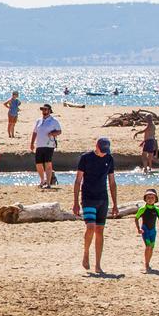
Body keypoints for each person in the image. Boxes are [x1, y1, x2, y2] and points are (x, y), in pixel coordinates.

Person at [72, 137, 118, 274]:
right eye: (102, 150)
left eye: (106, 151)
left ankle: (98, 264)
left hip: (103, 198)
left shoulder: (109, 159)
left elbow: (112, 182)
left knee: (100, 231)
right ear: (96, 146)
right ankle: (86, 253)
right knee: (90, 227)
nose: (104, 153)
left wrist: (115, 204)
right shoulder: (86, 158)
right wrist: (75, 202)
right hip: (88, 198)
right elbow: (78, 180)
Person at [134, 189, 159, 274]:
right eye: (148, 197)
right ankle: (146, 264)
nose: (150, 199)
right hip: (145, 230)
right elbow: (136, 218)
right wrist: (138, 229)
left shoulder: (157, 210)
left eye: (152, 197)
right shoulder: (143, 209)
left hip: (153, 231)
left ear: (155, 199)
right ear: (145, 199)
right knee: (148, 246)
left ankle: (148, 262)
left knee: (151, 247)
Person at [30, 103, 62, 189]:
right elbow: (35, 132)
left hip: (49, 145)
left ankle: (48, 183)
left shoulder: (54, 121)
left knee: (48, 163)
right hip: (39, 145)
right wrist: (32, 143)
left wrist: (52, 133)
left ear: (49, 110)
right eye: (42, 109)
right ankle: (42, 180)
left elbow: (59, 131)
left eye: (45, 109)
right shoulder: (38, 121)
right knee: (38, 164)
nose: (44, 111)